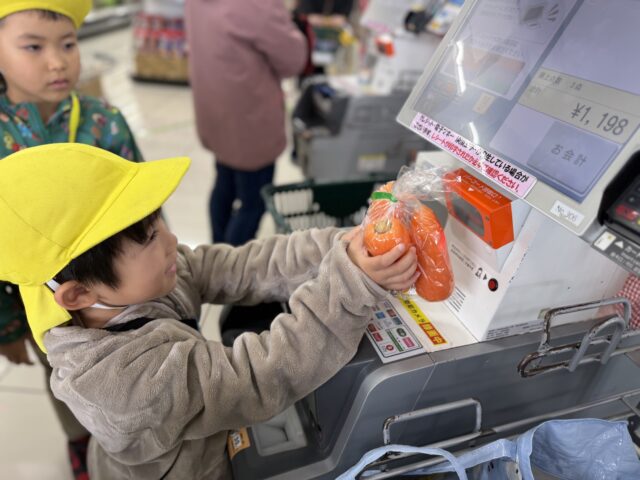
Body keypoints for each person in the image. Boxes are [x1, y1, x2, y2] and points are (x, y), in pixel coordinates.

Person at [0, 142, 419, 479]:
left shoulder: (124, 291)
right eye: (148, 237)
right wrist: (349, 285)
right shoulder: (120, 384)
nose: (171, 239)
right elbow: (258, 375)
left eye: (158, 221)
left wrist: (340, 245)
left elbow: (239, 267)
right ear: (77, 294)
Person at [0, 2, 143, 478]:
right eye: (33, 47)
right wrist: (7, 328)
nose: (57, 62)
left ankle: (133, 442)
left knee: (130, 378)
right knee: (63, 380)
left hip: (117, 294)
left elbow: (143, 208)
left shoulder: (104, 122)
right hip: (39, 313)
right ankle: (80, 443)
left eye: (68, 44)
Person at [185, 0, 308, 246]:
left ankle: (215, 253)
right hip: (250, 121)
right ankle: (230, 262)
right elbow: (293, 59)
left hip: (216, 110)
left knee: (225, 184)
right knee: (253, 201)